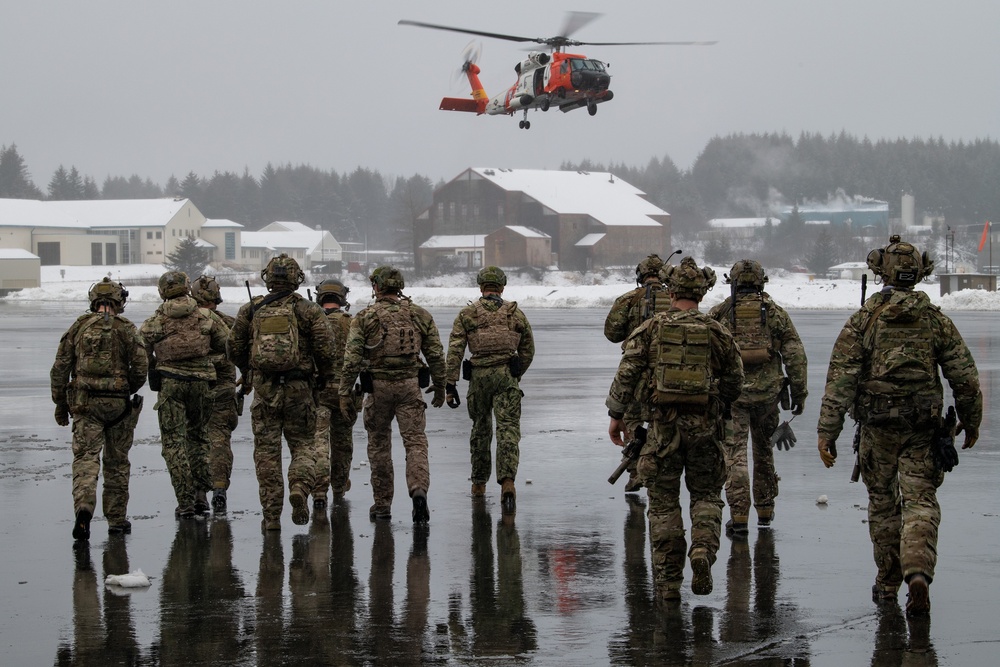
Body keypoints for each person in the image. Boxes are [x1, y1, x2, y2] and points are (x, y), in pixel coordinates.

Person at [817, 236, 981, 616]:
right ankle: (918, 572)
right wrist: (971, 420)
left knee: (883, 505)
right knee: (921, 502)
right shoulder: (935, 319)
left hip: (877, 431)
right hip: (923, 429)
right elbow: (965, 376)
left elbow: (840, 379)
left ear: (881, 270)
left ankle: (888, 582)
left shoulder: (865, 319)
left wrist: (828, 432)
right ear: (919, 272)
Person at [605, 257, 744, 604]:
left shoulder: (652, 328)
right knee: (707, 496)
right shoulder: (717, 331)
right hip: (705, 429)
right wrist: (718, 406)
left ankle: (668, 585)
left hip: (663, 429)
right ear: (701, 293)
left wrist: (617, 414)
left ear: (671, 291)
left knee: (664, 503)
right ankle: (702, 551)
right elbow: (736, 379)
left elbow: (628, 372)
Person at [227, 253, 337, 530]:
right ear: (296, 279)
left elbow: (234, 347)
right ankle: (299, 486)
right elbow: (327, 348)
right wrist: (324, 377)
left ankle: (271, 516)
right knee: (303, 445)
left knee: (266, 453)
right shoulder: (308, 310)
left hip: (265, 390)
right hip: (300, 389)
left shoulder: (250, 310)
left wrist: (249, 371)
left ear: (268, 279)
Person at [338, 266, 446, 524]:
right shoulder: (419, 314)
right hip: (410, 387)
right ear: (400, 287)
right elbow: (435, 353)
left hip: (378, 388)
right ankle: (418, 489)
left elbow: (351, 358)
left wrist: (344, 392)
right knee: (415, 442)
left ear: (376, 287)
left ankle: (383, 504)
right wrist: (441, 385)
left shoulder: (365, 317)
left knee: (378, 446)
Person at [708, 259, 808, 534]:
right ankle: (765, 508)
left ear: (734, 282)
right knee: (764, 452)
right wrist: (799, 393)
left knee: (735, 455)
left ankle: (739, 515)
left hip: (733, 398)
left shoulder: (720, 313)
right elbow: (795, 355)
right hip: (767, 398)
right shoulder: (775, 313)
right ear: (762, 282)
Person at [50, 278, 147, 540]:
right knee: (117, 463)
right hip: (118, 405)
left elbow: (60, 368)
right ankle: (116, 519)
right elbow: (140, 367)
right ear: (119, 301)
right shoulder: (127, 328)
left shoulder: (79, 327)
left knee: (86, 459)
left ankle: (84, 507)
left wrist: (60, 404)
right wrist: (126, 388)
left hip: (85, 404)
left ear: (93, 300)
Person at [141, 271, 230, 519]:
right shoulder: (205, 316)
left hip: (171, 385)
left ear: (162, 292)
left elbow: (141, 352)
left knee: (173, 443)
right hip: (202, 385)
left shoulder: (155, 321)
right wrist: (209, 360)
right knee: (199, 437)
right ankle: (202, 494)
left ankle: (185, 500)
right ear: (187, 288)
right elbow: (228, 345)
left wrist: (151, 369)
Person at [445, 266, 534, 508]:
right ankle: (507, 482)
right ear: (502, 287)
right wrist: (516, 373)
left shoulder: (468, 314)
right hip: (506, 376)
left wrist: (450, 384)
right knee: (508, 430)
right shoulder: (516, 314)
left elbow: (455, 350)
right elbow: (528, 349)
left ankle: (478, 484)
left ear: (481, 287)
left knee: (480, 431)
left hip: (479, 378)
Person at [604, 254, 672, 493]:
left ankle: (635, 473)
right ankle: (657, 470)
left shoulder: (629, 299)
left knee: (633, 421)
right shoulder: (675, 299)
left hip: (635, 372)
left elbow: (612, 333)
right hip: (669, 374)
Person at [190, 275, 238, 511]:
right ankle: (219, 487)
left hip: (192, 388)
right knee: (219, 439)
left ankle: (197, 493)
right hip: (222, 390)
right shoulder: (227, 322)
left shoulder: (184, 322)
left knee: (194, 440)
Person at [311, 278, 357, 508]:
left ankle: (319, 489)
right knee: (342, 441)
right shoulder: (351, 323)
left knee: (319, 440)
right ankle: (339, 485)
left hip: (317, 389)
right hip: (345, 390)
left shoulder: (311, 322)